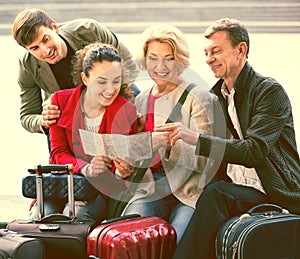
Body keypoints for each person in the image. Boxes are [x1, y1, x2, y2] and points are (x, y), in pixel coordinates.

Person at [154, 18, 300, 258]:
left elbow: (254, 151)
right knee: (209, 192)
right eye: (206, 52)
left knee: (216, 194)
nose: (209, 58)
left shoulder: (269, 91)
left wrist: (195, 138)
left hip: (272, 190)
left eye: (216, 51)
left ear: (241, 50)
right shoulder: (214, 97)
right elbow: (210, 153)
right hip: (236, 188)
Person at [120, 23, 215, 244]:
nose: (160, 66)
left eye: (169, 58)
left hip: (189, 191)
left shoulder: (199, 96)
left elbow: (209, 160)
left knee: (178, 244)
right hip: (151, 189)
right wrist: (125, 165)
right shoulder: (141, 100)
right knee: (131, 240)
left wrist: (171, 145)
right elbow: (140, 153)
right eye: (153, 58)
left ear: (180, 59)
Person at [29, 43, 139, 226]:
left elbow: (122, 166)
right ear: (85, 78)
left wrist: (121, 171)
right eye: (102, 81)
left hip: (99, 190)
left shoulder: (127, 111)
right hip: (60, 183)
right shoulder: (60, 101)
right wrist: (85, 168)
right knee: (39, 216)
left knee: (75, 215)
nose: (110, 89)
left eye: (116, 81)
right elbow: (58, 153)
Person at [12, 8, 139, 150]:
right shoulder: (28, 66)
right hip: (68, 115)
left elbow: (128, 65)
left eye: (46, 39)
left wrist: (111, 103)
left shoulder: (90, 30)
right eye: (34, 48)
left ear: (54, 27)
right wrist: (42, 120)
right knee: (55, 124)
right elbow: (27, 115)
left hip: (110, 95)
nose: (45, 51)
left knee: (137, 96)